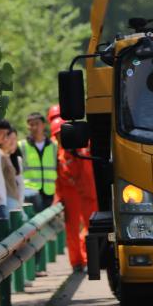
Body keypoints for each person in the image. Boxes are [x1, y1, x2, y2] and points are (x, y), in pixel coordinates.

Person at [51, 117, 99, 273]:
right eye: (58, 135)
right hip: (73, 195)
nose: (61, 137)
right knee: (73, 228)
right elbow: (60, 179)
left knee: (91, 228)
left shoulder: (83, 147)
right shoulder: (61, 155)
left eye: (62, 134)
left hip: (89, 194)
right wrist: (58, 198)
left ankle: (92, 262)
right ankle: (78, 262)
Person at [21, 111, 57, 212]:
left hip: (50, 194)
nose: (35, 127)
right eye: (31, 125)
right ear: (28, 127)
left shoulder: (54, 146)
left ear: (44, 125)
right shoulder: (22, 146)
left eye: (37, 124)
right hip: (30, 194)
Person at [1, 129, 24, 212]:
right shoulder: (0, 157)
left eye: (15, 139)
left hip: (15, 203)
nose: (13, 143)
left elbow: (20, 184)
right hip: (4, 203)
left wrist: (20, 204)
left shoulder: (18, 160)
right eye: (10, 139)